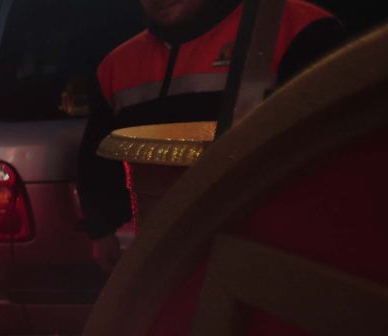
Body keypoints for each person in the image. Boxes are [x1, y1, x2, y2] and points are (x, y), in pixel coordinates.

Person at [78, 0, 342, 270]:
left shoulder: (295, 27)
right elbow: (97, 160)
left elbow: (338, 152)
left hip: (274, 251)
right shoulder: (117, 66)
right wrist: (102, 229)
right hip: (164, 260)